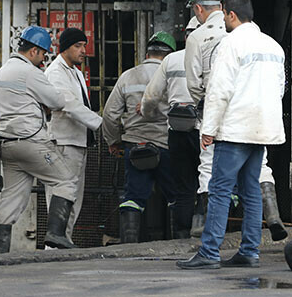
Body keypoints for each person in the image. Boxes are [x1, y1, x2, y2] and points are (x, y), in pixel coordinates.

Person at [178, 0, 286, 269]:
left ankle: (210, 252)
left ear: (231, 15)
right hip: (263, 128)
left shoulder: (231, 44)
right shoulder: (274, 46)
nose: (223, 19)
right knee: (251, 190)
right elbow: (280, 88)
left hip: (235, 128)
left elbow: (219, 90)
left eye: (224, 15)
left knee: (220, 189)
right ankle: (250, 251)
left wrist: (209, 128)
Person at [0, 26, 79, 253]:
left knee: (11, 199)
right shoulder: (30, 72)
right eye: (42, 55)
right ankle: (55, 235)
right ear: (33, 51)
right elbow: (56, 101)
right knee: (66, 181)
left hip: (8, 145)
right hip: (31, 143)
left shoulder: (4, 71)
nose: (43, 61)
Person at [102, 32, 177, 243]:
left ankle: (129, 247)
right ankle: (181, 244)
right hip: (167, 144)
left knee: (133, 198)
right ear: (169, 56)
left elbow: (109, 114)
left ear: (147, 53)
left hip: (135, 145)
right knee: (176, 197)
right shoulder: (173, 76)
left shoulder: (128, 76)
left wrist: (114, 140)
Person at [140, 21, 198, 238]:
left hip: (177, 131)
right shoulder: (217, 56)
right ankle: (208, 233)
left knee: (183, 187)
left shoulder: (172, 60)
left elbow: (151, 96)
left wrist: (145, 114)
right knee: (210, 182)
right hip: (206, 131)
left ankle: (183, 235)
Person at [44, 28, 102, 243]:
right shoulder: (55, 73)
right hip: (63, 142)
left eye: (84, 45)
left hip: (77, 142)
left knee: (73, 197)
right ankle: (55, 242)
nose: (83, 51)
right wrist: (100, 124)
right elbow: (69, 104)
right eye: (77, 46)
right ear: (65, 48)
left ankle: (64, 240)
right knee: (61, 194)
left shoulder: (75, 72)